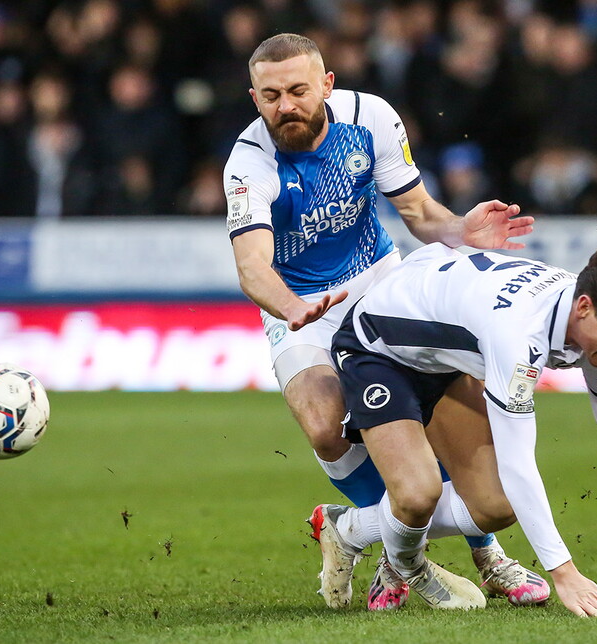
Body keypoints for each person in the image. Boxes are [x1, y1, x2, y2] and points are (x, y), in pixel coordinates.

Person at [223, 33, 544, 611]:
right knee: (324, 424)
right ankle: (402, 554)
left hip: (380, 283)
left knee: (441, 409)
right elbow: (252, 268)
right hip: (300, 308)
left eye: (298, 90)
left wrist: (460, 232)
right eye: (271, 96)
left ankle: (483, 550)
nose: (286, 106)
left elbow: (419, 212)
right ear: (254, 97)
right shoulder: (249, 165)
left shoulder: (371, 118)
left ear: (327, 85)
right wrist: (294, 310)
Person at [309, 239, 597, 615]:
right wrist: (564, 572)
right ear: (583, 308)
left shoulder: (590, 318)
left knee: (496, 506)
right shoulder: (520, 336)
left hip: (449, 355)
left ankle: (348, 528)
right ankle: (405, 564)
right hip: (379, 346)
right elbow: (518, 460)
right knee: (417, 496)